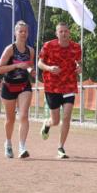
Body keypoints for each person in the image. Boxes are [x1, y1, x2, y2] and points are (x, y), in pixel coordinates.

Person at [38, 22, 83, 159]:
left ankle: (60, 147)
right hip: (52, 86)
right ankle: (47, 124)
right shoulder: (48, 46)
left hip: (69, 85)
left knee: (67, 117)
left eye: (66, 31)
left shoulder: (76, 47)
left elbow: (79, 63)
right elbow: (40, 64)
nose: (64, 33)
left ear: (69, 33)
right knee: (56, 120)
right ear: (57, 34)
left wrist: (80, 68)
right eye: (61, 31)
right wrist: (49, 68)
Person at [0, 21, 36, 158]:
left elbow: (29, 65)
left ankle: (22, 147)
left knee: (24, 115)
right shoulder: (10, 49)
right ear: (15, 33)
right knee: (10, 119)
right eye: (21, 31)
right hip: (8, 86)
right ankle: (8, 143)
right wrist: (16, 66)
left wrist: (31, 71)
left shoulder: (30, 50)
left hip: (24, 86)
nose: (23, 34)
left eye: (26, 31)